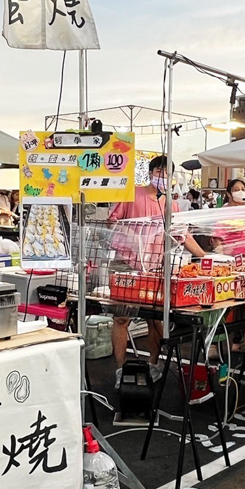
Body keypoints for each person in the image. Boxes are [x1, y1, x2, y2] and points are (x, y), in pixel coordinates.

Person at [107, 155, 169, 388]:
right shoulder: (132, 192)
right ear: (151, 172)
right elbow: (111, 221)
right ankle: (121, 369)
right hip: (126, 264)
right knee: (122, 317)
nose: (163, 176)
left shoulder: (169, 202)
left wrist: (205, 256)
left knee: (155, 320)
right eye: (159, 171)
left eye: (167, 172)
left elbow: (180, 233)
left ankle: (153, 366)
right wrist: (129, 235)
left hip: (154, 267)